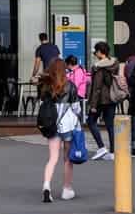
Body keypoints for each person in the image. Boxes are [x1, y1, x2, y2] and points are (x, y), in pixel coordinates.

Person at [37, 58, 81, 202]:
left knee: (52, 159)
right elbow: (76, 109)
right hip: (68, 125)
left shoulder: (46, 86)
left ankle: (46, 186)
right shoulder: (71, 86)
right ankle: (66, 189)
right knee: (67, 159)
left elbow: (42, 104)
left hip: (52, 125)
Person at [85, 42, 121, 161]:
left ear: (101, 52)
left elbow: (97, 87)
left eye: (96, 51)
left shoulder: (99, 67)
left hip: (101, 100)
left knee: (90, 121)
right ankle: (112, 152)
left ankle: (101, 147)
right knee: (110, 125)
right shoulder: (114, 63)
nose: (95, 53)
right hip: (111, 98)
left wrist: (93, 105)